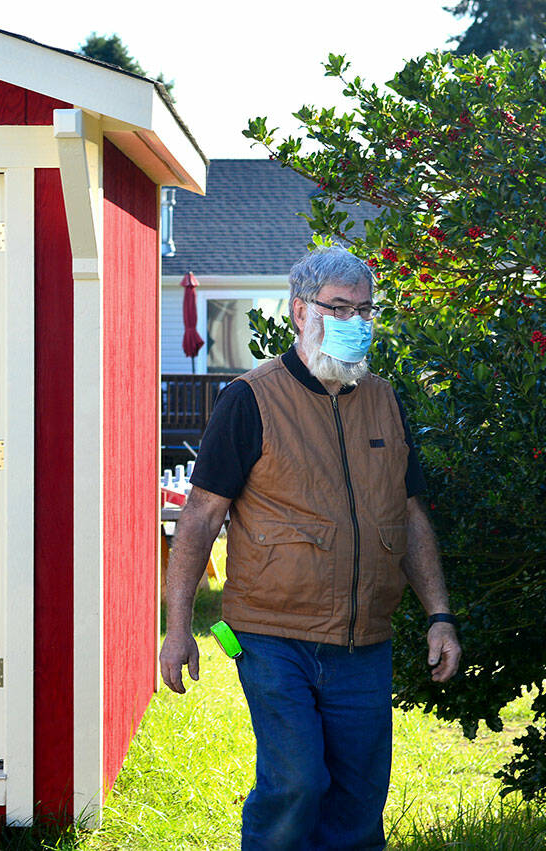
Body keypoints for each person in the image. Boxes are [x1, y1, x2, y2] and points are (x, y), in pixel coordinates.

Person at [159, 246, 462, 850]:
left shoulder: (384, 399)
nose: (356, 322)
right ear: (300, 312)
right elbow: (200, 516)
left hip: (364, 642)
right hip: (272, 636)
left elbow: (409, 515)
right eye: (340, 308)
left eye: (365, 310)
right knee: (296, 782)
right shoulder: (249, 399)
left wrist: (440, 616)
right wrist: (177, 628)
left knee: (358, 795)